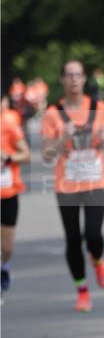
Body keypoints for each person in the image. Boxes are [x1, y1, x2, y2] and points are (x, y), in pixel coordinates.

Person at [41, 60, 104, 312]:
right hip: (67, 185)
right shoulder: (52, 113)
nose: (73, 79)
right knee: (73, 239)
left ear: (84, 79)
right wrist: (64, 138)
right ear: (62, 79)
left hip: (95, 180)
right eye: (68, 75)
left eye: (78, 75)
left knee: (93, 233)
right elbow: (47, 154)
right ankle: (82, 291)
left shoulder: (98, 108)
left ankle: (98, 259)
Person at [1, 94, 30, 297]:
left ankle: (5, 266)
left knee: (7, 247)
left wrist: (8, 157)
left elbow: (26, 155)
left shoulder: (9, 126)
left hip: (8, 192)